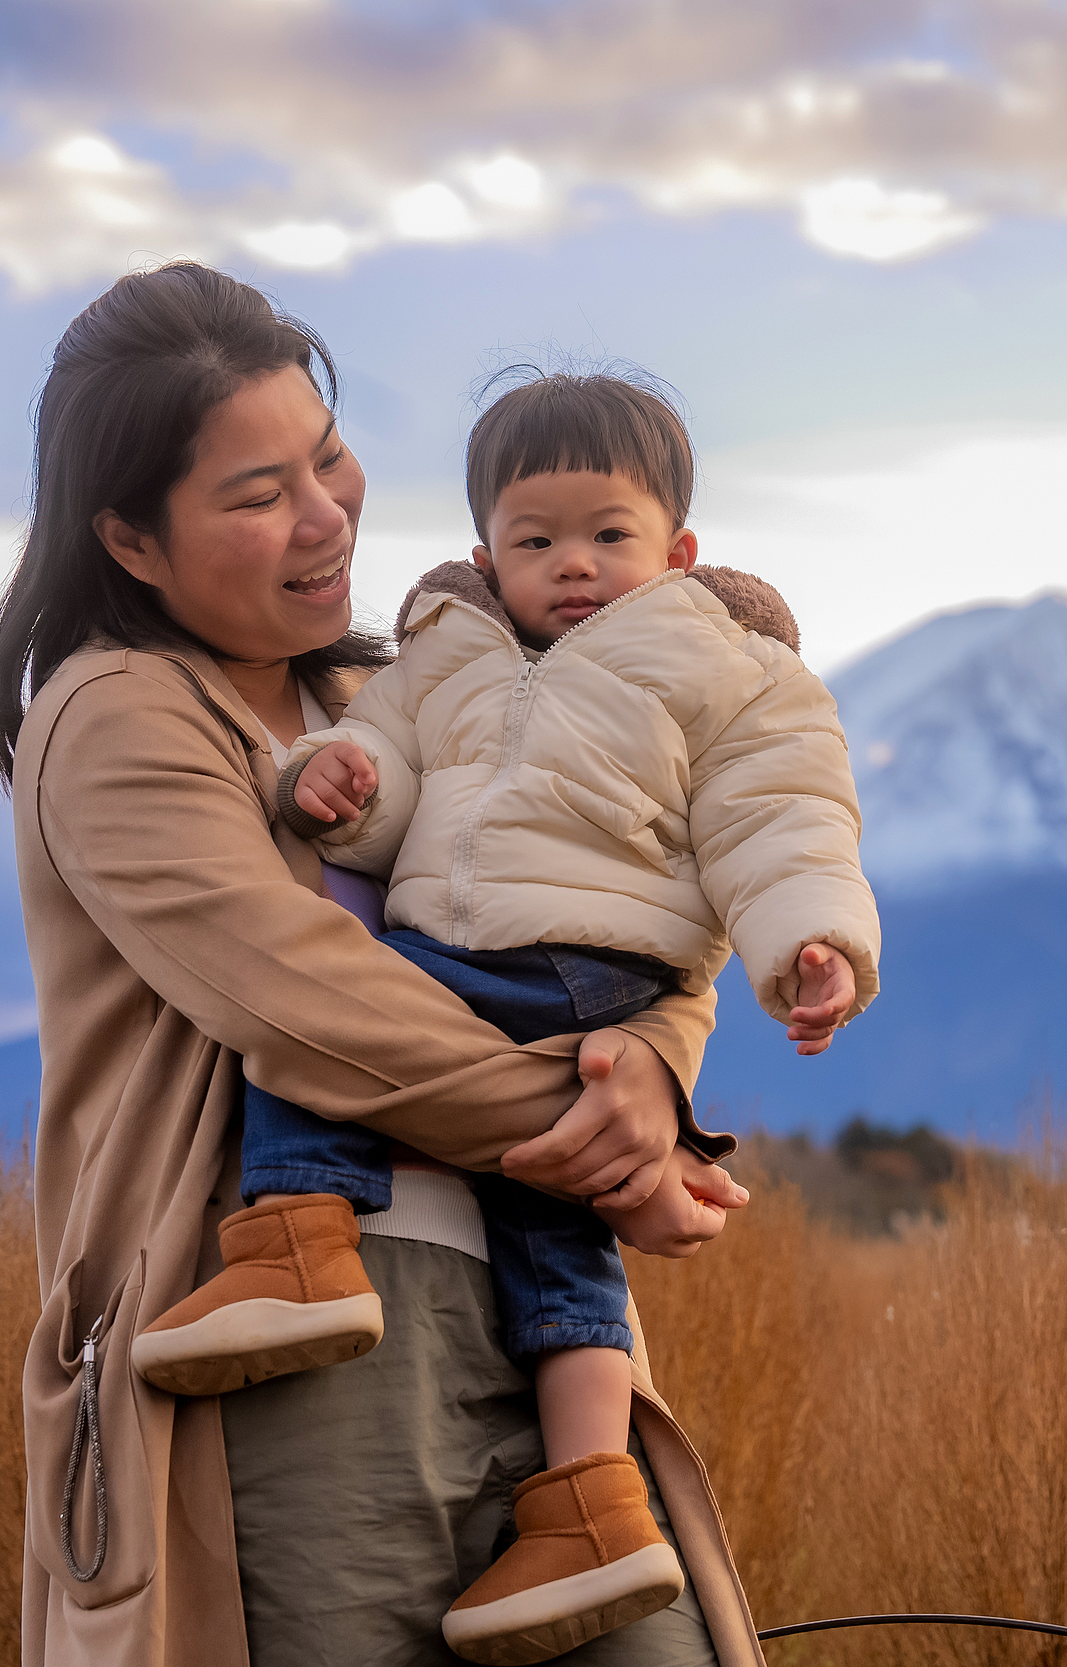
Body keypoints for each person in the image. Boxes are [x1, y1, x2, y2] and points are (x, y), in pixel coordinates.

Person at [0, 260, 762, 1667]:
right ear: (132, 542)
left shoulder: (397, 695)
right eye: (257, 492)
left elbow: (645, 884)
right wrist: (614, 1148)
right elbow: (317, 1005)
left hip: (542, 1323)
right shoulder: (114, 719)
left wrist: (652, 1061)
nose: (327, 513)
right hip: (297, 1356)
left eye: (328, 459)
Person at [130, 373, 881, 1664]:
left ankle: (298, 1234)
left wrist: (810, 942)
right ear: (486, 553)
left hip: (591, 969)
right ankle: (589, 1498)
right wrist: (335, 787)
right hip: (493, 975)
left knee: (334, 1023)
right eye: (536, 542)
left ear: (679, 553)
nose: (573, 568)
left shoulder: (722, 667)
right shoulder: (442, 658)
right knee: (556, 1231)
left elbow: (781, 816)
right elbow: (390, 789)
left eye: (609, 538)